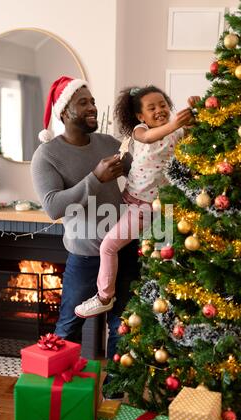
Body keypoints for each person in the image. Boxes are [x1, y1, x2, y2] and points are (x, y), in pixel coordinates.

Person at [31, 76, 139, 369]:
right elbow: (53, 206)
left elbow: (141, 175)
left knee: (123, 327)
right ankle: (61, 398)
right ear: (65, 112)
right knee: (69, 327)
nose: (92, 107)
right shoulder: (47, 155)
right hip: (85, 256)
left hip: (124, 251)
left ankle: (114, 395)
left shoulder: (107, 143)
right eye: (83, 102)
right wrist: (95, 178)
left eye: (92, 101)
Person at [75, 85, 196, 318]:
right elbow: (151, 136)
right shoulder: (139, 131)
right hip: (130, 201)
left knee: (116, 248)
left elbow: (194, 131)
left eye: (163, 105)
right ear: (141, 116)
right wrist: (176, 124)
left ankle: (105, 297)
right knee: (115, 246)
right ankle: (107, 294)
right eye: (152, 108)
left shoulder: (177, 132)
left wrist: (195, 108)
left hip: (151, 209)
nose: (159, 110)